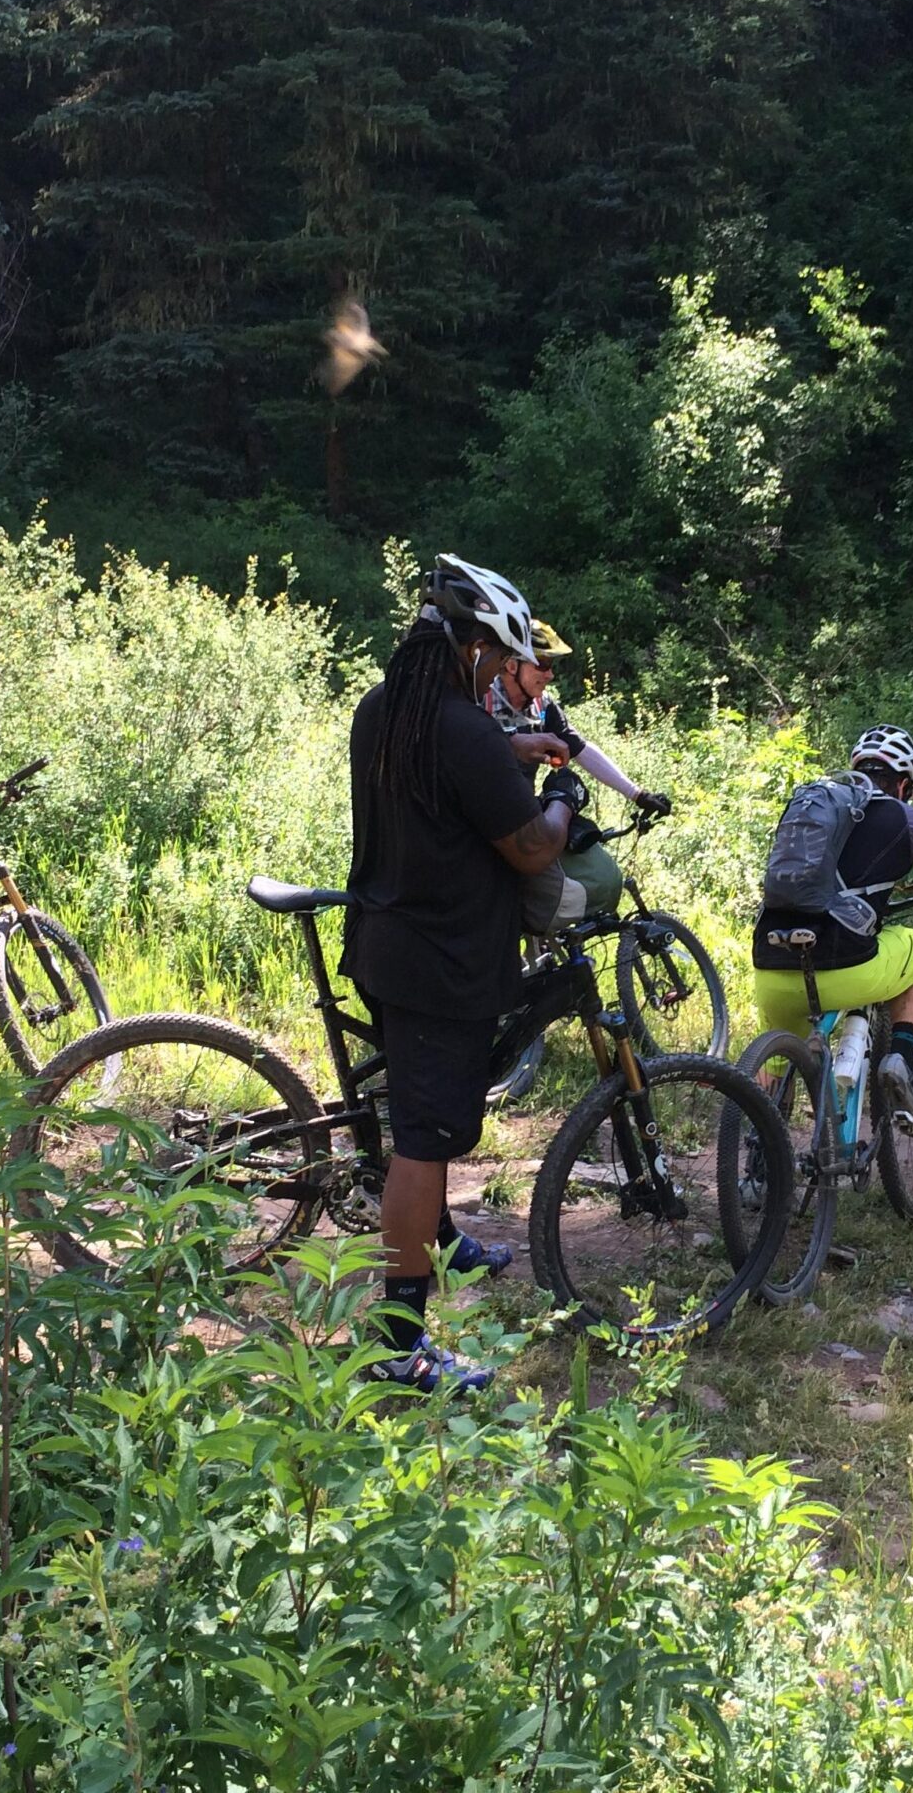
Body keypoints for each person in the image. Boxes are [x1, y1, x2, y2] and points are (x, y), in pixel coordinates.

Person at [345, 554, 582, 1391]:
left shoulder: (385, 710)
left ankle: (439, 1252)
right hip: (442, 961)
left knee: (425, 1118)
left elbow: (446, 773)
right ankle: (397, 1342)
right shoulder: (459, 727)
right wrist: (561, 800)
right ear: (477, 650)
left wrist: (512, 744)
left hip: (384, 940)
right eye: (492, 656)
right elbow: (530, 845)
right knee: (423, 1140)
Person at [750, 726, 913, 1126]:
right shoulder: (901, 815)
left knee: (778, 1057)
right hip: (844, 969)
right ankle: (899, 1062)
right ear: (903, 783)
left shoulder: (815, 808)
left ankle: (758, 1160)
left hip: (771, 965)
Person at [485, 618, 670, 922]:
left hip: (520, 819)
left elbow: (580, 749)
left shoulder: (542, 706)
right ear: (510, 665)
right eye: (542, 663)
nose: (550, 674)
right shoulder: (481, 699)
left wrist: (636, 793)